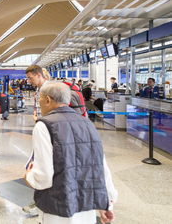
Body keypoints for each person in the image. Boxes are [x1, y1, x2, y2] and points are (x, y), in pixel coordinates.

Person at [24, 82, 117, 224]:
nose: (39, 103)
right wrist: (107, 204)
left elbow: (44, 176)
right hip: (86, 207)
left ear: (48, 100)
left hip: (57, 207)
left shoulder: (44, 125)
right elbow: (100, 167)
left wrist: (29, 177)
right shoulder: (88, 124)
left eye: (40, 99)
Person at [23, 65, 49, 216]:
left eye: (30, 77)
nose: (28, 80)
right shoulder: (39, 90)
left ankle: (39, 204)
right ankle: (39, 203)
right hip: (41, 128)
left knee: (42, 166)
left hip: (47, 132)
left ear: (39, 75)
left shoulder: (48, 89)